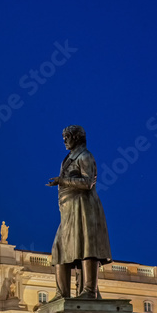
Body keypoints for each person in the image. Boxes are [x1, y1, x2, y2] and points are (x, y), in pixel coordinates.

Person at [47, 125, 111, 299]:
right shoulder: (69, 158)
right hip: (69, 211)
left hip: (83, 207)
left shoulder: (85, 156)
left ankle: (89, 291)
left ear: (76, 138)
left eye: (67, 137)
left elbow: (88, 182)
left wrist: (63, 180)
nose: (64, 141)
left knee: (86, 246)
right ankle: (62, 294)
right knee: (59, 248)